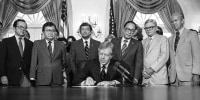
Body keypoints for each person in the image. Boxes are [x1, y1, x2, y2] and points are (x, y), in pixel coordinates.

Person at [29, 22, 67, 86]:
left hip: (58, 78)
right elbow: (33, 61)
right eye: (48, 30)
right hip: (42, 78)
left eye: (53, 30)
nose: (50, 32)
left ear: (55, 32)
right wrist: (32, 76)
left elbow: (64, 61)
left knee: (58, 96)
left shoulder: (61, 44)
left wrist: (61, 71)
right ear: (43, 32)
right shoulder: (37, 44)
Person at [168, 12, 200, 86]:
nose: (174, 23)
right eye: (172, 21)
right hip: (173, 77)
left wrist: (196, 73)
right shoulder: (170, 39)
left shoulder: (192, 34)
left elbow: (197, 55)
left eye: (176, 20)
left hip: (188, 76)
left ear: (182, 21)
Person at [0, 19, 33, 87]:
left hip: (26, 77)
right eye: (20, 27)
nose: (23, 29)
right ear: (14, 28)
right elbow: (2, 60)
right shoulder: (6, 42)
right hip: (10, 77)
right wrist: (3, 75)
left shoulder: (30, 44)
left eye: (24, 27)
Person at [111, 21, 143, 85]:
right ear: (123, 29)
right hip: (114, 75)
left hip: (129, 76)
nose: (129, 32)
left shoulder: (138, 44)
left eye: (132, 30)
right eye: (127, 29)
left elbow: (139, 63)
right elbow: (109, 57)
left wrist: (136, 78)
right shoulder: (114, 41)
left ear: (134, 32)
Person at [142, 19, 169, 86]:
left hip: (159, 78)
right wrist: (144, 72)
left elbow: (164, 56)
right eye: (146, 28)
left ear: (156, 28)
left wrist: (151, 69)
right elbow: (141, 59)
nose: (148, 29)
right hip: (145, 79)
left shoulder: (163, 39)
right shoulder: (143, 42)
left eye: (151, 27)